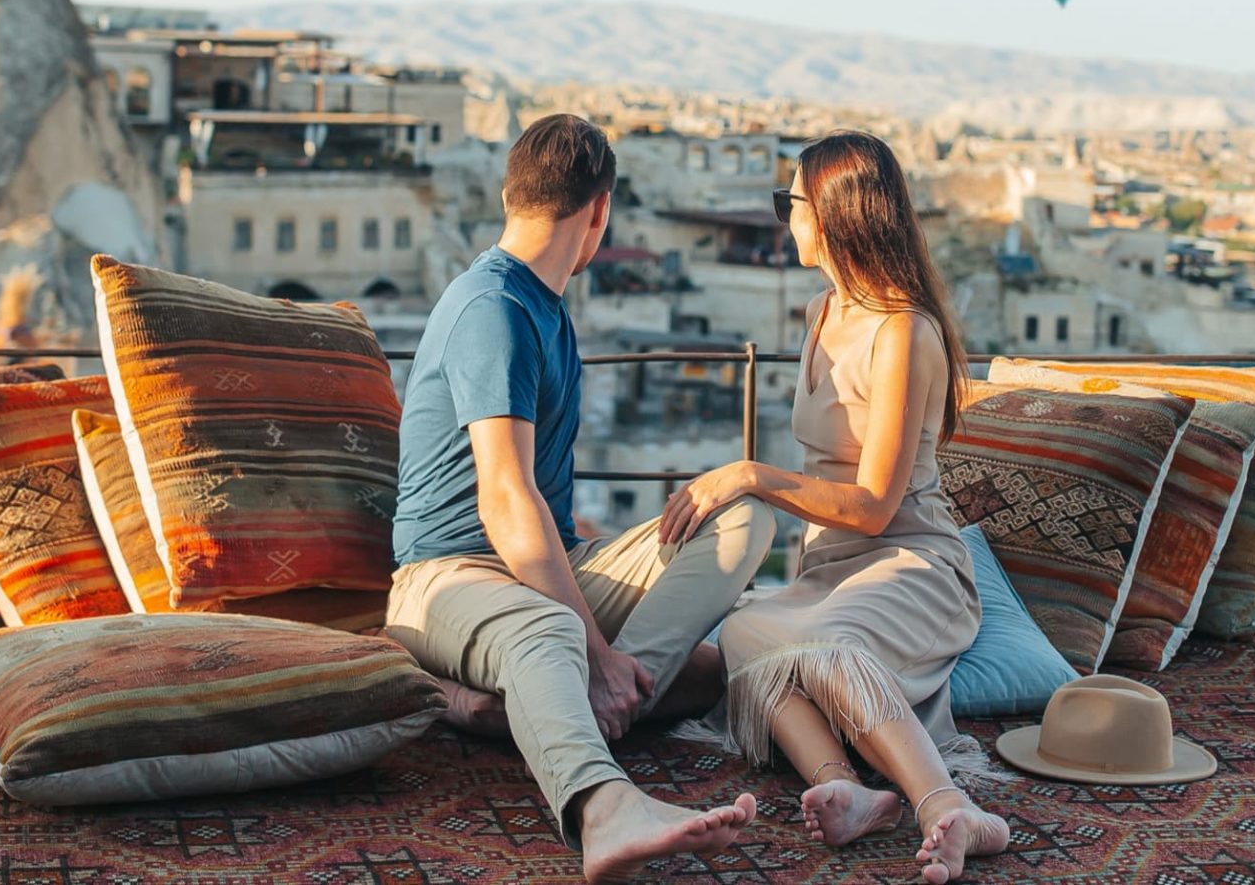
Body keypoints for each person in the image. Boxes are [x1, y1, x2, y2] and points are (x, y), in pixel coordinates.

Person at [386, 114, 775, 882]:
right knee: (551, 636)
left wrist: (606, 655)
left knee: (742, 529)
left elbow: (535, 504)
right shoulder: (493, 309)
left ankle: (569, 704)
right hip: (449, 576)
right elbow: (503, 499)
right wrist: (593, 649)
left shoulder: (544, 305)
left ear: (511, 194)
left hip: (543, 561)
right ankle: (604, 804)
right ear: (600, 210)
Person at [662, 131, 1011, 884]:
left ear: (830, 213)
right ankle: (841, 784)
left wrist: (753, 476)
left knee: (827, 642)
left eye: (789, 202)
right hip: (827, 569)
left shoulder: (904, 331)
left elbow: (878, 506)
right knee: (750, 630)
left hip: (910, 563)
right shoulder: (822, 311)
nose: (783, 216)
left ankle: (947, 806)